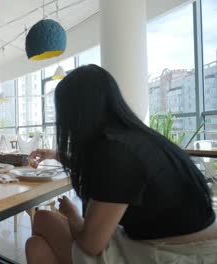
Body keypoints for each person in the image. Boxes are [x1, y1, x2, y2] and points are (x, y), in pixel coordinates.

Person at [25, 64, 217, 263]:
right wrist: (55, 155)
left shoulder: (117, 152)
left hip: (176, 253)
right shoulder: (132, 139)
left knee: (43, 219)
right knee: (36, 246)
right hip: (178, 242)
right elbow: (106, 173)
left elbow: (91, 244)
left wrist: (72, 214)